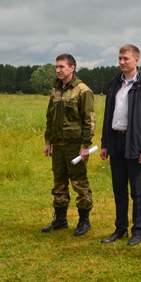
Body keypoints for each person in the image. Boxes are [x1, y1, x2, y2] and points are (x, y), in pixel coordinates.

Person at [99, 44, 141, 246]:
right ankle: (120, 229)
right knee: (119, 189)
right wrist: (105, 143)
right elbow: (108, 115)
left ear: (136, 60)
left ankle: (137, 231)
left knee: (137, 190)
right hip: (116, 140)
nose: (122, 62)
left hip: (135, 142)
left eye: (126, 58)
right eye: (120, 58)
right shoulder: (114, 83)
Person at [42, 53, 96, 237]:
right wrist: (48, 141)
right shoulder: (55, 90)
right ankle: (60, 219)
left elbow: (89, 120)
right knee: (58, 183)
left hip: (75, 146)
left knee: (80, 183)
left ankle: (84, 221)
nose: (58, 70)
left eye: (61, 67)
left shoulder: (82, 90)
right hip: (57, 145)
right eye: (56, 67)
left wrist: (85, 146)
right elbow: (50, 117)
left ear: (72, 68)